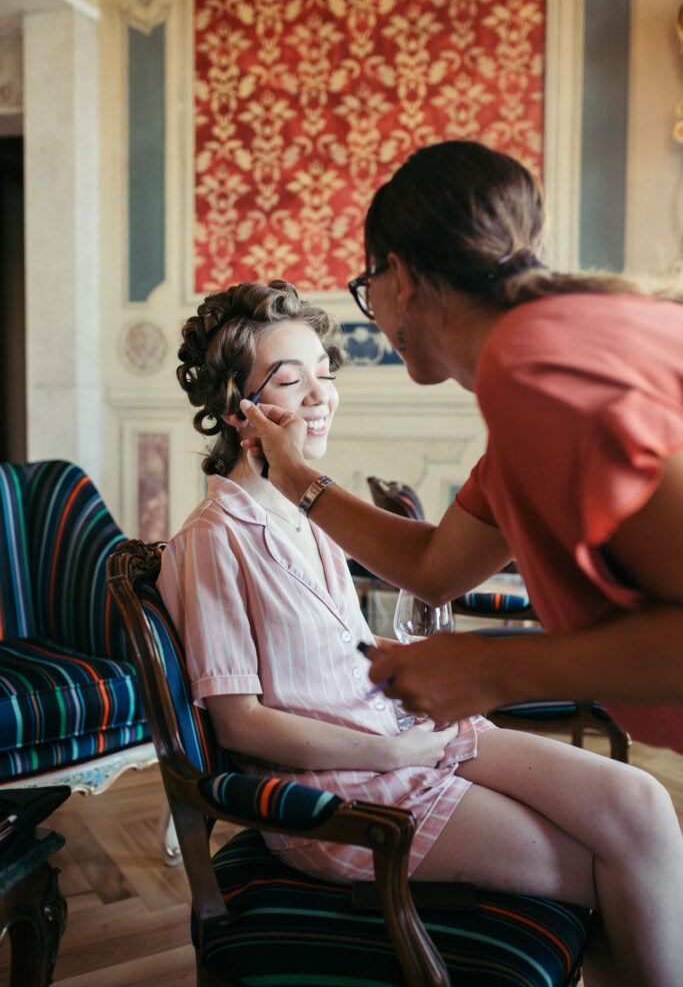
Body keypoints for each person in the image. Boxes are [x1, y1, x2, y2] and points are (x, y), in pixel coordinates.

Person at [160, 278, 683, 987]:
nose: (321, 395)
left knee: (640, 809)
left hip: (409, 738)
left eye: (326, 372)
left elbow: (340, 650)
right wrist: (389, 748)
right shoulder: (214, 539)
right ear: (235, 408)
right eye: (291, 379)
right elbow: (241, 723)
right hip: (340, 789)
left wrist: (407, 688)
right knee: (609, 863)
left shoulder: (305, 515)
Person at [239, 140, 683, 757]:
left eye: (370, 286)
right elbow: (435, 569)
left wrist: (492, 669)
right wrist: (291, 476)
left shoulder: (533, 371)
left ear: (402, 278)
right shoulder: (562, 342)